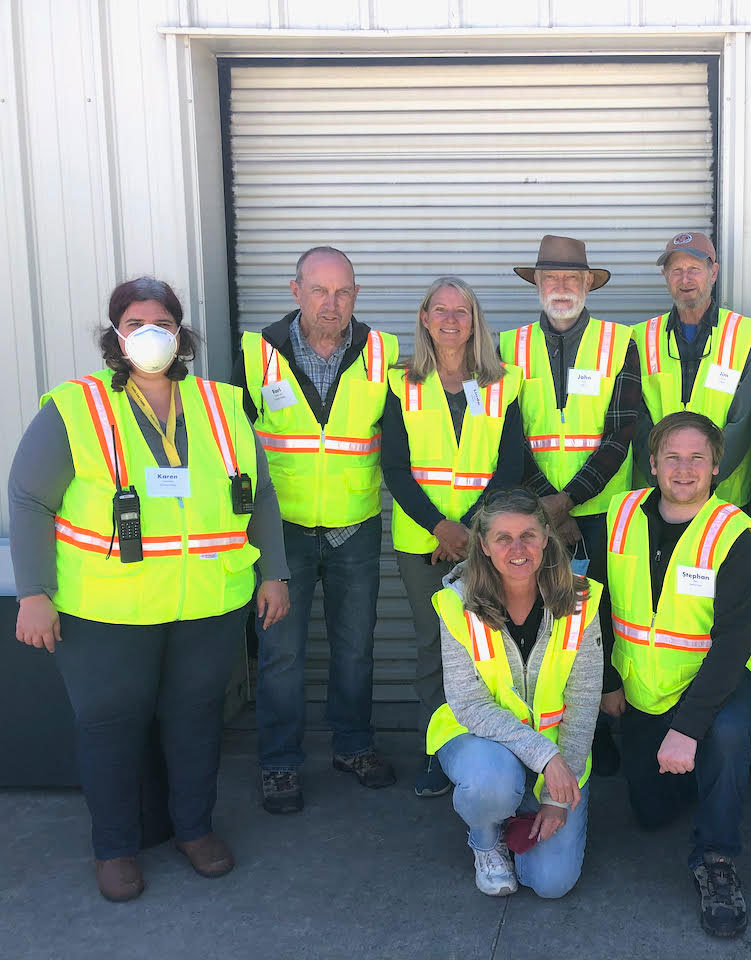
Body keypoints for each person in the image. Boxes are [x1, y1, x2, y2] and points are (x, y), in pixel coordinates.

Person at [9, 277, 290, 901]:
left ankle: (194, 831)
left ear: (182, 331)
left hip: (207, 604)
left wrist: (274, 571)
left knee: (194, 723)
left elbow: (261, 493)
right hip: (107, 611)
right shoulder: (75, 407)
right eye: (135, 323)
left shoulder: (221, 404)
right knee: (110, 728)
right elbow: (29, 499)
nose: (150, 334)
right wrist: (33, 592)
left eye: (161, 321)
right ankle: (115, 848)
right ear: (117, 335)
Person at [236, 246, 399, 814]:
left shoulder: (383, 352)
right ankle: (279, 764)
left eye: (344, 292)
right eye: (320, 291)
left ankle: (353, 747)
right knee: (280, 652)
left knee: (355, 649)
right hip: (281, 533)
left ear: (356, 294)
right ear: (295, 290)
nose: (333, 304)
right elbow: (231, 447)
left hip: (355, 525)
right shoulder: (256, 354)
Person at [603, 412, 751, 938]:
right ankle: (714, 775)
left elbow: (733, 642)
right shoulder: (620, 512)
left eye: (698, 457)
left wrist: (689, 726)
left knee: (726, 732)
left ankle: (717, 857)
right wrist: (609, 679)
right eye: (672, 456)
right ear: (651, 464)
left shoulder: (733, 532)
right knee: (649, 813)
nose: (684, 469)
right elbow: (600, 603)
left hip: (715, 681)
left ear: (716, 466)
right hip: (644, 683)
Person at [500, 234, 642, 775]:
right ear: (536, 284)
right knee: (540, 620)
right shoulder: (508, 347)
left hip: (602, 510)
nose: (561, 288)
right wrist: (545, 503)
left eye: (572, 279)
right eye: (550, 279)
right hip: (532, 517)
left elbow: (621, 432)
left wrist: (570, 500)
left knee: (598, 618)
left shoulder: (618, 341)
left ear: (588, 285)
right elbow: (507, 433)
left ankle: (601, 729)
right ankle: (543, 731)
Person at [383, 277, 526, 799]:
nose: (450, 320)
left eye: (460, 311)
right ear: (424, 318)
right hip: (423, 542)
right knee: (432, 648)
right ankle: (437, 753)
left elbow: (509, 467)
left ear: (474, 320)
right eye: (439, 310)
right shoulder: (401, 382)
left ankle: (496, 748)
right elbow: (394, 468)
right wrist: (440, 527)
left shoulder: (502, 382)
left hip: (487, 541)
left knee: (490, 647)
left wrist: (468, 530)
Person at [427, 488, 602, 899]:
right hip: (479, 742)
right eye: (503, 538)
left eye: (528, 535)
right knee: (490, 784)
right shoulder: (456, 603)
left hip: (559, 753)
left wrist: (558, 795)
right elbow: (469, 703)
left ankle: (517, 816)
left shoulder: (581, 599)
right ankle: (486, 839)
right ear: (484, 546)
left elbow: (584, 701)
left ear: (546, 537)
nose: (517, 548)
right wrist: (545, 758)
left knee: (550, 884)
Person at [632, 232, 751, 508]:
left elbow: (744, 421)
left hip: (723, 496)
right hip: (658, 494)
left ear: (713, 272)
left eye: (694, 269)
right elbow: (636, 417)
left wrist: (704, 480)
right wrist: (665, 479)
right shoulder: (641, 336)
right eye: (677, 271)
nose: (685, 279)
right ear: (665, 275)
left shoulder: (744, 336)